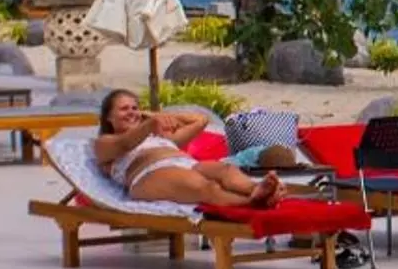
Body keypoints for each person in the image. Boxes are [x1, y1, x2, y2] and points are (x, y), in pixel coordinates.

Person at [92, 90, 281, 210]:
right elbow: (125, 144)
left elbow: (200, 120)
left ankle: (255, 189)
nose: (132, 112)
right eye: (124, 109)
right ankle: (252, 204)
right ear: (108, 117)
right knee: (205, 187)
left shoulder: (158, 137)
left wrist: (153, 115)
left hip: (186, 165)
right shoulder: (105, 142)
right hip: (148, 175)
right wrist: (150, 123)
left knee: (225, 170)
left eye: (135, 108)